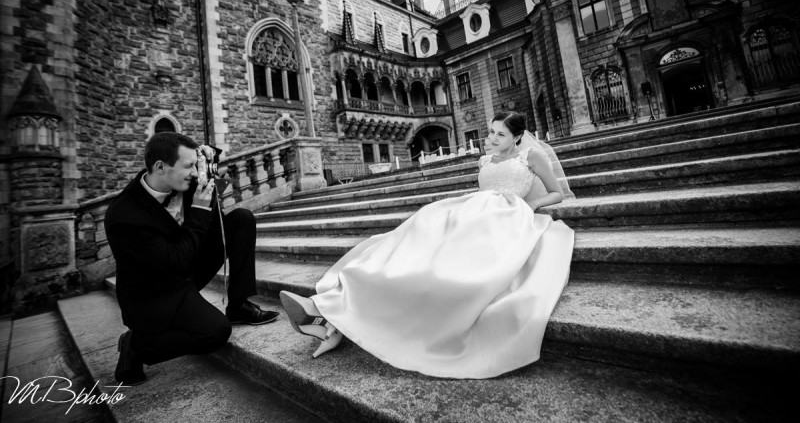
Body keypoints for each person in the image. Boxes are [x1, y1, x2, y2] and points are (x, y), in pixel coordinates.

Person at [280, 111, 575, 379]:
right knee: (414, 233)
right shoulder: (485, 160)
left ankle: (328, 319)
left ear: (518, 137)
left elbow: (557, 193)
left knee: (443, 263)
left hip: (506, 215)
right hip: (472, 209)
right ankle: (329, 310)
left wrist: (529, 205)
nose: (493, 138)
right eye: (491, 132)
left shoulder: (531, 156)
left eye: (501, 134)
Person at [105, 132, 279, 385]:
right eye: (188, 166)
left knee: (241, 219)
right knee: (216, 332)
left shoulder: (186, 183)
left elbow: (217, 212)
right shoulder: (124, 215)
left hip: (186, 267)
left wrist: (210, 165)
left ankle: (238, 305)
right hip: (156, 293)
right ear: (160, 167)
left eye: (195, 165)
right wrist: (198, 209)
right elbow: (174, 261)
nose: (195, 173)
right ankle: (136, 345)